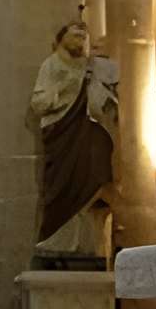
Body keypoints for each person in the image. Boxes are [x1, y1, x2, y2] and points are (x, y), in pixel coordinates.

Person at [29, 17, 118, 258]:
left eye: (83, 36)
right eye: (75, 35)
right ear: (60, 39)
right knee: (61, 188)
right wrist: (62, 88)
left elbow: (109, 102)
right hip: (61, 136)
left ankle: (87, 241)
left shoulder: (92, 67)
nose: (80, 40)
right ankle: (57, 240)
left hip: (86, 132)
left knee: (94, 175)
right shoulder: (52, 65)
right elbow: (38, 104)